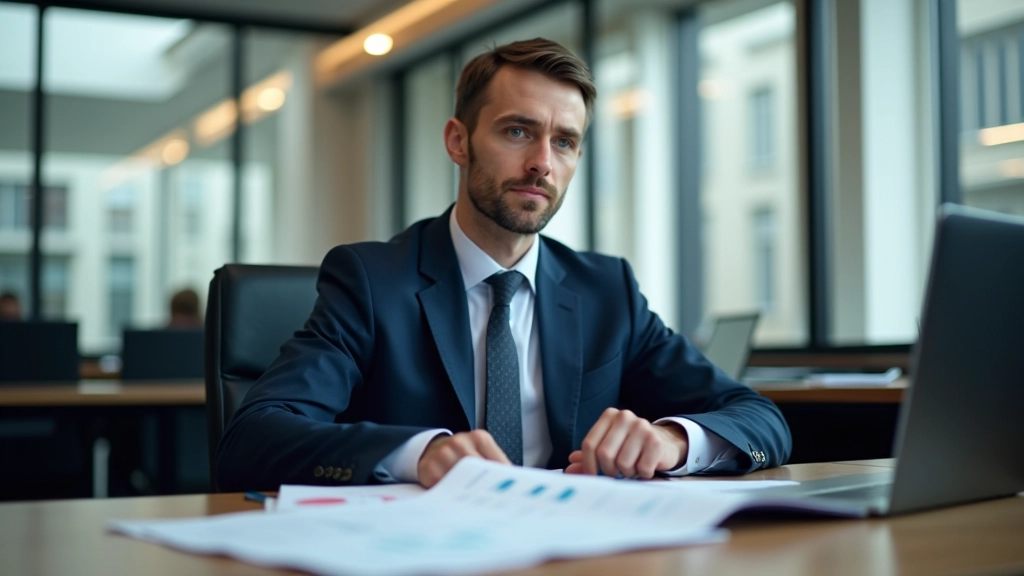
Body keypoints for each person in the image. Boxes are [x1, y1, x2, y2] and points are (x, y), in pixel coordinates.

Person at [217, 38, 791, 491]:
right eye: (518, 131)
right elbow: (254, 438)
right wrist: (423, 454)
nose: (542, 163)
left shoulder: (606, 289)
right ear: (458, 142)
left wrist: (673, 441)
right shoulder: (371, 282)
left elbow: (758, 418)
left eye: (564, 142)